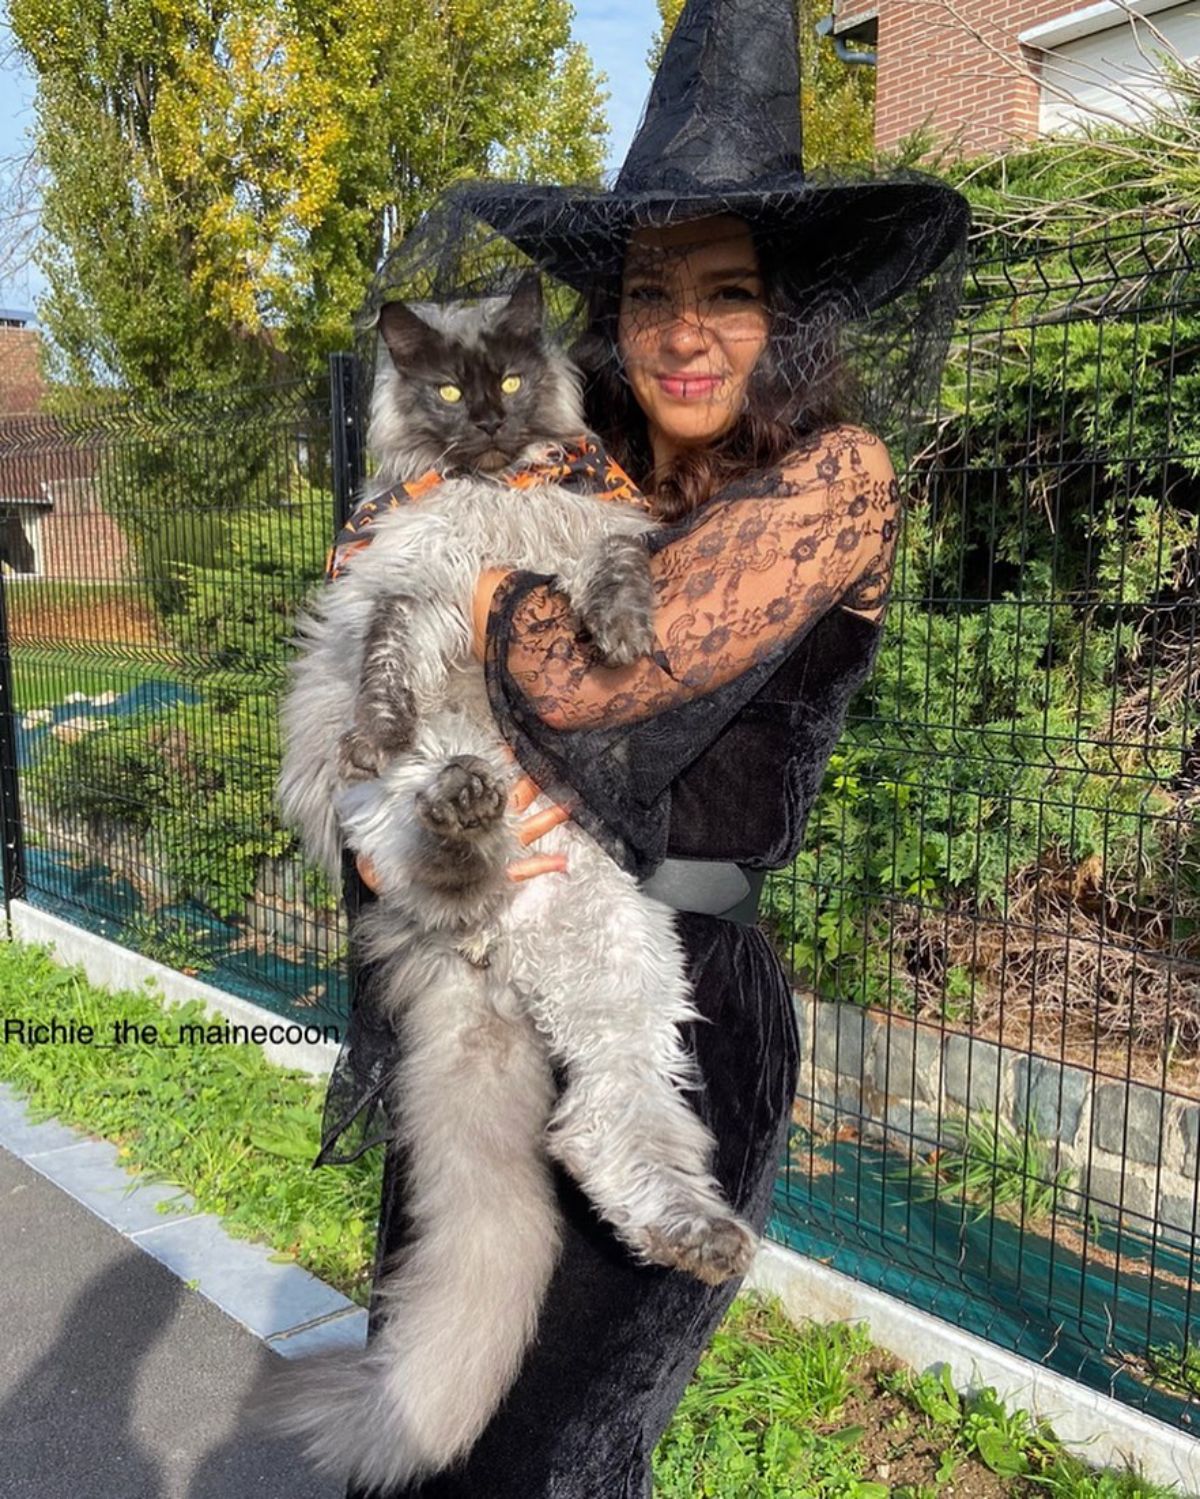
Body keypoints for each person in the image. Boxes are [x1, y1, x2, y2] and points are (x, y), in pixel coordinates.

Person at [313, 0, 970, 1493]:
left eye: (728, 293)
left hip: (675, 1015)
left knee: (546, 1460)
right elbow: (372, 624)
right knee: (421, 1426)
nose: (683, 330)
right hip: (480, 968)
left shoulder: (836, 481)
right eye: (652, 289)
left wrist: (461, 567)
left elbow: (586, 676)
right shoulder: (579, 467)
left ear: (784, 313)